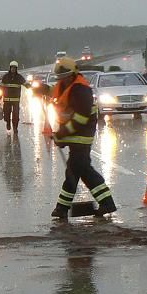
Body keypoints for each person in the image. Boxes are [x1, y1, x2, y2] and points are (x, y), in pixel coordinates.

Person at [49, 56, 116, 219]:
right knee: (76, 170)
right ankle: (63, 208)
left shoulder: (81, 90)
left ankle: (106, 203)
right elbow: (55, 96)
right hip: (73, 134)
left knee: (80, 169)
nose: (61, 80)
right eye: (60, 78)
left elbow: (80, 118)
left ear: (72, 74)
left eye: (64, 77)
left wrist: (62, 134)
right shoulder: (67, 86)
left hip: (81, 135)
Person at [0, 61, 29, 132]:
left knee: (16, 116)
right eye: (12, 68)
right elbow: (1, 89)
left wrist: (33, 88)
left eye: (14, 68)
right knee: (6, 115)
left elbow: (26, 84)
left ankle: (15, 128)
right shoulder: (5, 77)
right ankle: (8, 124)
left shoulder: (19, 77)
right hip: (6, 100)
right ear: (10, 68)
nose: (13, 69)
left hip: (16, 101)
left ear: (16, 69)